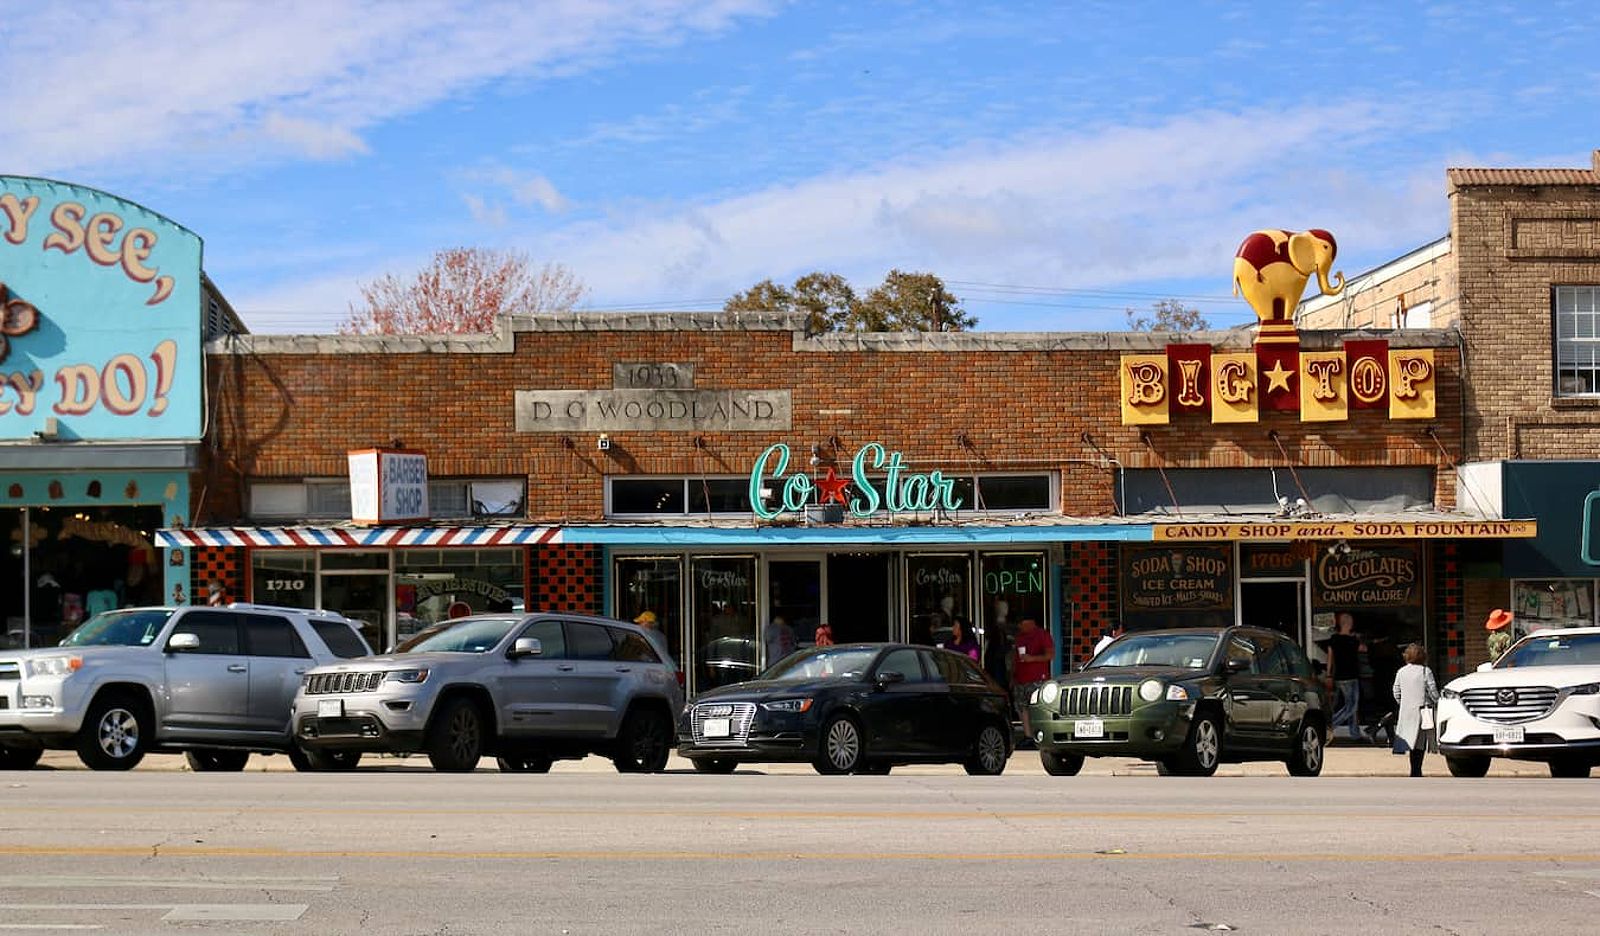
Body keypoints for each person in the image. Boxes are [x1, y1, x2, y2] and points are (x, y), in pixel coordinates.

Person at [1391, 643, 1439, 777]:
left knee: (1409, 740)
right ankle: (1417, 770)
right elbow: (1433, 691)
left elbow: (1396, 691)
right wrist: (1437, 702)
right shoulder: (1425, 671)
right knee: (1420, 743)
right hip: (1423, 711)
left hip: (1407, 711)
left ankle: (1414, 769)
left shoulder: (1401, 671)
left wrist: (1403, 703)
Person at [1013, 617, 1054, 737]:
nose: (1021, 626)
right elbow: (1015, 657)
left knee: (1036, 706)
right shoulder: (1019, 637)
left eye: (1023, 623)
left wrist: (1032, 658)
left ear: (1031, 622)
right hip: (1020, 678)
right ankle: (1028, 735)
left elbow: (1050, 655)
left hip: (1037, 678)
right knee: (1022, 707)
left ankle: (1040, 734)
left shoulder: (1042, 635)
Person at [1326, 612, 1362, 742]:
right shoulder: (1353, 640)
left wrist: (1329, 674)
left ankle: (1355, 733)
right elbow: (1363, 648)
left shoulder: (1333, 639)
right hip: (1350, 675)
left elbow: (1330, 659)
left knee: (1352, 705)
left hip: (1341, 675)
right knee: (1351, 706)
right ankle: (1329, 726)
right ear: (1347, 623)